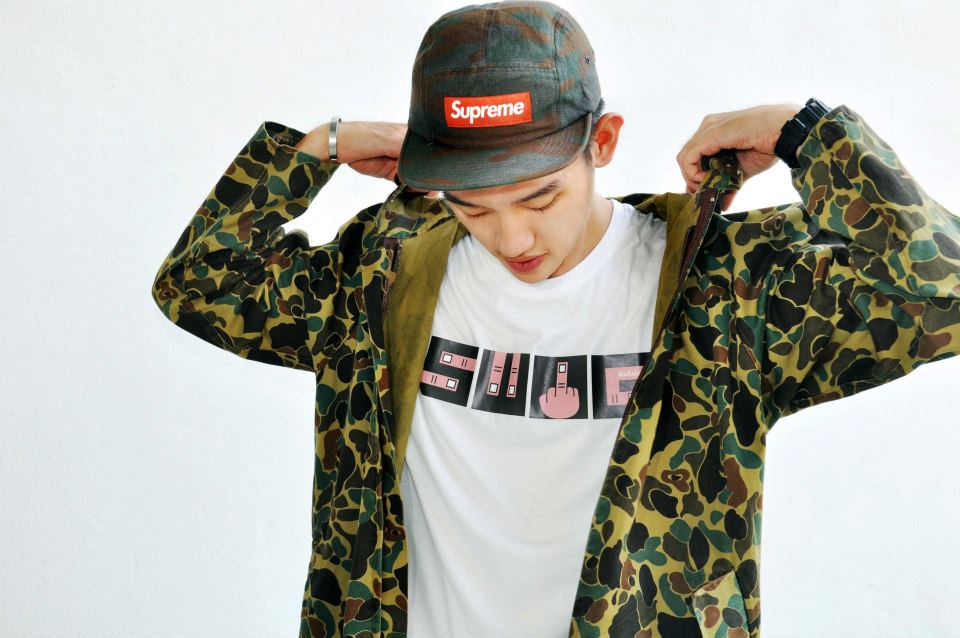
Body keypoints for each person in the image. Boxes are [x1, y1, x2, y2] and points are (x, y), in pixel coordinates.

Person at [150, 2, 960, 637]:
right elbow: (197, 285)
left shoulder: (724, 290)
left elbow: (943, 293)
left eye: (540, 197)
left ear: (602, 142)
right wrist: (320, 146)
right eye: (472, 206)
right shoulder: (383, 277)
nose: (513, 239)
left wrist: (808, 135)